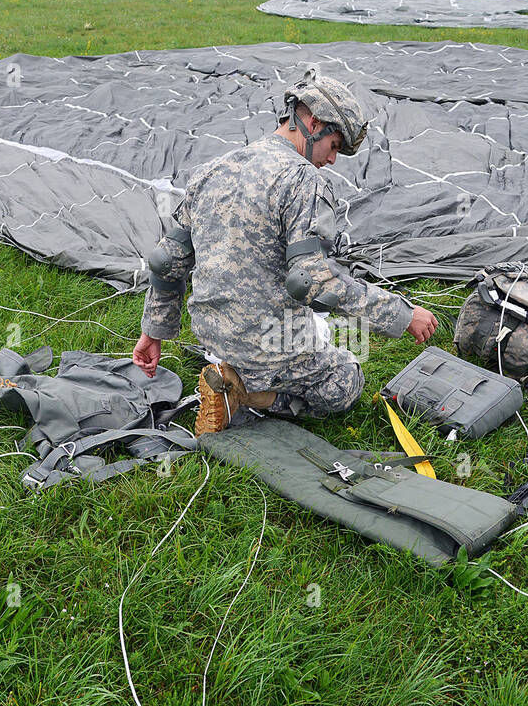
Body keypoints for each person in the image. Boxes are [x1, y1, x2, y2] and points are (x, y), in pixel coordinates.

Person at [130, 70, 438, 435]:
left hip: (213, 334)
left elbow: (167, 260)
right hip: (268, 345)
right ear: (313, 122)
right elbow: (313, 284)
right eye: (335, 146)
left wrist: (154, 331)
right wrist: (403, 314)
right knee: (347, 380)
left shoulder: (214, 168)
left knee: (310, 330)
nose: (333, 160)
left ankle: (230, 370)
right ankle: (245, 394)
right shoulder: (302, 180)